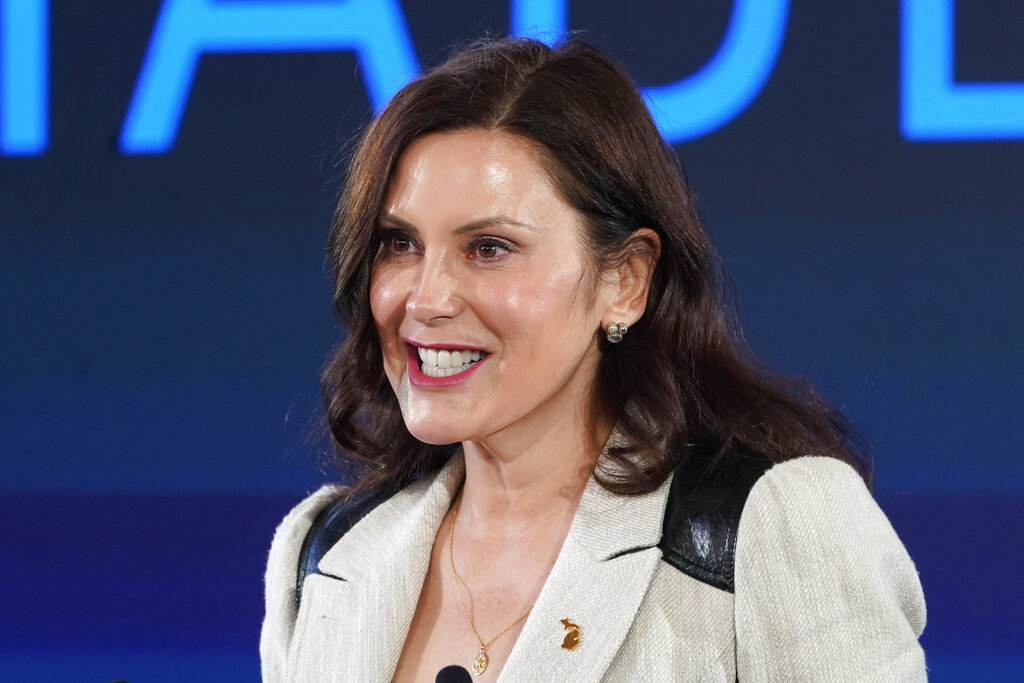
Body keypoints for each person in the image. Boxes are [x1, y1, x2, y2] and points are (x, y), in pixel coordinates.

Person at [261, 37, 926, 681]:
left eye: (488, 248)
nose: (425, 299)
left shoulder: (774, 530)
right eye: (398, 244)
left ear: (625, 281)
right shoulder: (324, 551)